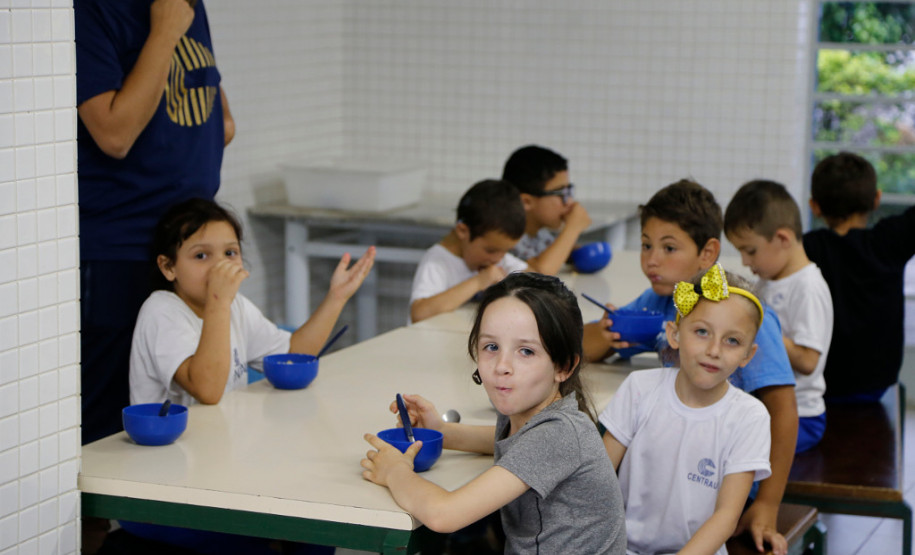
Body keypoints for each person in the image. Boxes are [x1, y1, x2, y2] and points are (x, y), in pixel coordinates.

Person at [582, 179, 797, 552]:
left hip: (723, 467)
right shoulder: (659, 300)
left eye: (668, 248)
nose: (652, 259)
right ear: (676, 332)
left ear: (707, 252)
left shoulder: (745, 315)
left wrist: (767, 504)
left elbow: (782, 410)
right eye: (646, 245)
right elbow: (588, 346)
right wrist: (609, 329)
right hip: (665, 457)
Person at [363, 273, 627, 555]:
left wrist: (395, 471)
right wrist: (442, 431)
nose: (502, 365)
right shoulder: (530, 412)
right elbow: (513, 441)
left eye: (525, 351)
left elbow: (444, 515)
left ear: (564, 366)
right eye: (491, 347)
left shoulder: (556, 435)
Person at [76, 0, 235, 444]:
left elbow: (220, 120)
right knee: (110, 417)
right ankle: (97, 517)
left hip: (191, 244)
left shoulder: (185, 4)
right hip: (123, 247)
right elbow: (114, 134)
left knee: (193, 396)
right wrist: (164, 31)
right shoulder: (92, 10)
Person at [601, 265, 777, 555]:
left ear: (748, 355)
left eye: (732, 340)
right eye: (702, 332)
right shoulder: (639, 388)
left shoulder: (750, 417)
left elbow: (726, 517)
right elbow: (599, 478)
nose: (714, 350)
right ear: (674, 334)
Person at [129, 198, 375, 406]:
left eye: (230, 253)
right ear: (168, 266)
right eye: (201, 255)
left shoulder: (235, 306)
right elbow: (207, 390)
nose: (220, 266)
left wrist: (336, 298)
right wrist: (219, 300)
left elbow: (293, 354)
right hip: (169, 456)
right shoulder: (161, 312)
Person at [725, 180, 833, 452]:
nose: (745, 262)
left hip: (801, 417)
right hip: (762, 406)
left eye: (750, 251)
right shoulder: (767, 281)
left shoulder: (807, 287)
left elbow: (809, 361)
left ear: (783, 239)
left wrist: (766, 331)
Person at [804, 152, 915, 402]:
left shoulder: (806, 248)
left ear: (815, 206)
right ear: (876, 199)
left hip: (821, 382)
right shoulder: (889, 241)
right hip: (875, 383)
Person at [409, 179, 530, 323]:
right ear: (462, 231)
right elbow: (419, 314)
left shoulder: (497, 256)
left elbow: (535, 281)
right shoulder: (437, 261)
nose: (498, 259)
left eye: (505, 251)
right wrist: (479, 281)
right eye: (490, 250)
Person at [501, 145, 593, 274]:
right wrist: (573, 227)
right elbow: (540, 273)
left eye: (569, 191)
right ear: (526, 202)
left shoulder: (540, 233)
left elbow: (558, 255)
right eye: (560, 193)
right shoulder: (505, 235)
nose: (569, 202)